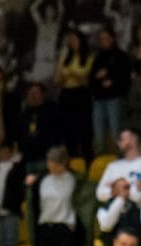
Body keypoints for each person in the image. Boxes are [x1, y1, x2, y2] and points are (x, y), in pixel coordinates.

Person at [27, 146, 82, 246]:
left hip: (65, 228)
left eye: (55, 166)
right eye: (50, 165)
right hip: (45, 228)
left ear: (63, 164)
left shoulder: (74, 180)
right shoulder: (42, 180)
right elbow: (34, 205)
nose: (52, 169)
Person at [90, 25, 132, 156]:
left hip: (115, 98)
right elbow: (91, 79)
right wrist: (98, 78)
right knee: (99, 135)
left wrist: (112, 81)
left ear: (113, 38)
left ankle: (122, 159)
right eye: (102, 39)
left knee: (116, 132)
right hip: (99, 99)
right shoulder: (98, 58)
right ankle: (100, 162)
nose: (104, 41)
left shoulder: (121, 56)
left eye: (107, 38)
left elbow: (125, 77)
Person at [56, 27, 95, 162]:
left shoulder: (88, 57)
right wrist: (64, 76)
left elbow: (88, 80)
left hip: (81, 95)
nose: (72, 43)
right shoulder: (65, 58)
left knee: (83, 129)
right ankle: (72, 159)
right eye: (70, 40)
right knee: (68, 129)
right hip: (67, 94)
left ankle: (88, 160)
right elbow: (58, 79)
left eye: (75, 40)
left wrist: (74, 75)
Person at [95, 127, 141, 203]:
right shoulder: (112, 166)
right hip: (116, 208)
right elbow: (99, 193)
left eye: (123, 138)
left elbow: (139, 193)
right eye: (120, 139)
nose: (119, 142)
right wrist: (114, 191)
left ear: (135, 139)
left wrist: (116, 186)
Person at [15, 82, 63, 175]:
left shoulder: (52, 110)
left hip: (47, 159)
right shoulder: (23, 114)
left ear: (43, 95)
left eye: (36, 93)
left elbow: (58, 133)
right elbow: (18, 134)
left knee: (45, 182)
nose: (33, 96)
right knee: (30, 182)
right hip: (28, 160)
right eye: (31, 93)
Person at [0, 141, 27, 246]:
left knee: (11, 242)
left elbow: (20, 190)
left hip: (11, 211)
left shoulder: (16, 170)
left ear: (10, 153)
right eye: (1, 152)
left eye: (6, 152)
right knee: (0, 243)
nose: (3, 154)